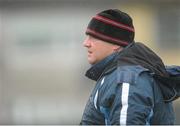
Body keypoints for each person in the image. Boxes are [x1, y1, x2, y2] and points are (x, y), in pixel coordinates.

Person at [80, 9, 180, 125]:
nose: (86, 43)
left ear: (116, 44)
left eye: (94, 37)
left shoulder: (127, 80)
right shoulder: (115, 74)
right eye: (87, 37)